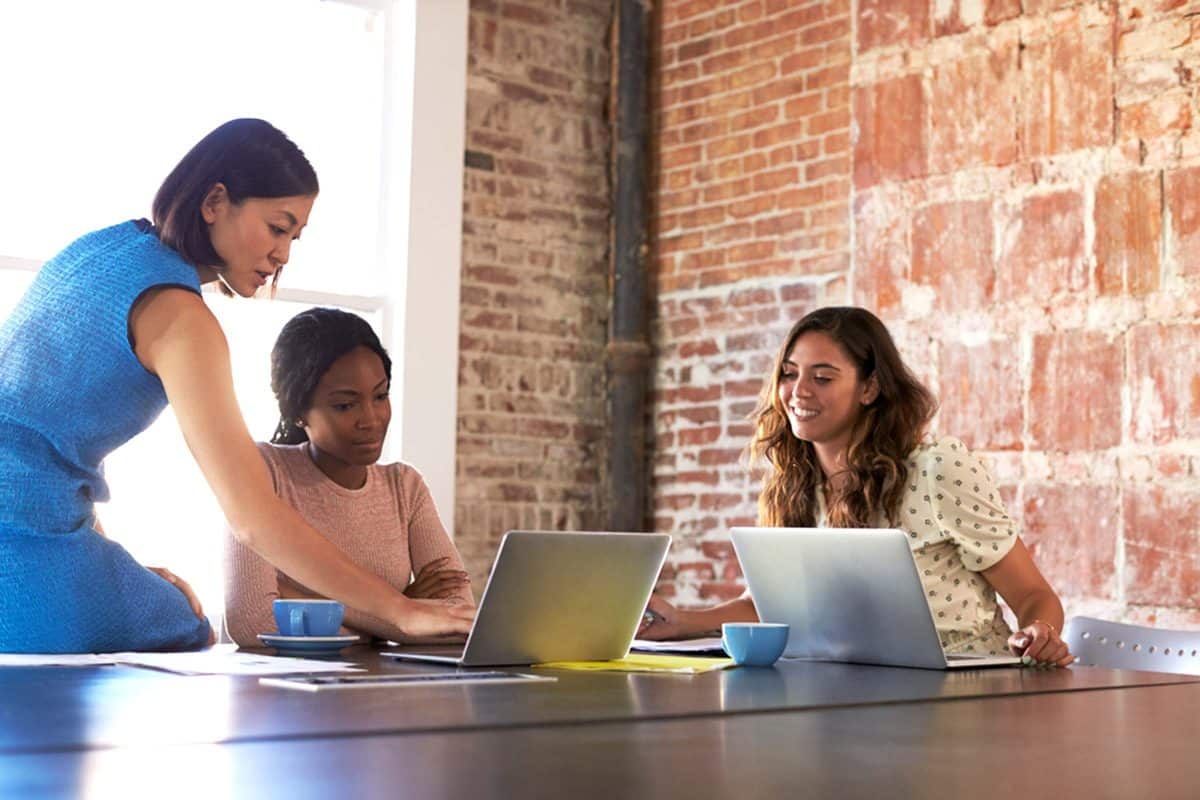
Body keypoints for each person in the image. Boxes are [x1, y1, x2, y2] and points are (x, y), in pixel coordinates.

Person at [0, 118, 473, 653]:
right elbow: (253, 516)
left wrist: (105, 564)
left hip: (38, 529)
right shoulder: (181, 317)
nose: (283, 256)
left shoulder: (100, 250)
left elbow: (34, 442)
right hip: (17, 551)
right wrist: (401, 614)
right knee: (187, 627)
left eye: (295, 237)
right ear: (215, 203)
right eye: (277, 227)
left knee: (164, 605)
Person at [640, 306, 1074, 668]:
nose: (797, 392)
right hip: (849, 688)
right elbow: (773, 603)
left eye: (823, 378)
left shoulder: (937, 469)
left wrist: (1040, 633)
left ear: (869, 388)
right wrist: (683, 621)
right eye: (789, 374)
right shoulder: (794, 478)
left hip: (965, 687)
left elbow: (1033, 594)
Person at [223, 308, 472, 646]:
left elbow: (456, 615)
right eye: (344, 405)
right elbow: (253, 620)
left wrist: (300, 596)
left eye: (380, 396)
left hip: (379, 689)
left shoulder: (405, 487)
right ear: (297, 413)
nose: (370, 419)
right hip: (283, 694)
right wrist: (401, 610)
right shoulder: (262, 473)